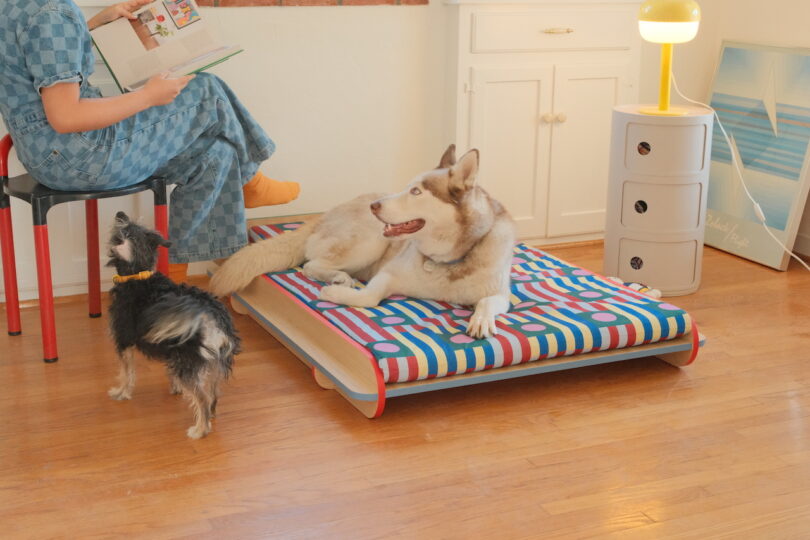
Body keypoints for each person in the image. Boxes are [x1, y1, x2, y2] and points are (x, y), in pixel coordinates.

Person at [0, 0, 300, 282]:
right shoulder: (53, 12)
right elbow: (65, 116)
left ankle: (177, 287)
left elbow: (37, 56)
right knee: (208, 89)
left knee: (215, 154)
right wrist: (146, 96)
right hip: (82, 156)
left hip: (47, 157)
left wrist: (94, 23)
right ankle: (252, 181)